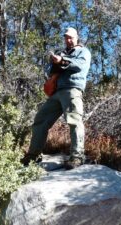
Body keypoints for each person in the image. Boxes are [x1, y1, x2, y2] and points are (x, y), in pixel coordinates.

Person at [22, 27, 91, 169]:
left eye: (71, 37)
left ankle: (77, 156)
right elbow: (51, 72)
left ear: (77, 37)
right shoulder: (63, 53)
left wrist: (62, 60)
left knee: (74, 121)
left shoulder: (83, 52)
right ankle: (32, 155)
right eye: (66, 37)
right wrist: (55, 62)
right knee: (40, 120)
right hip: (56, 92)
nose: (68, 40)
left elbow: (79, 65)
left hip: (72, 89)